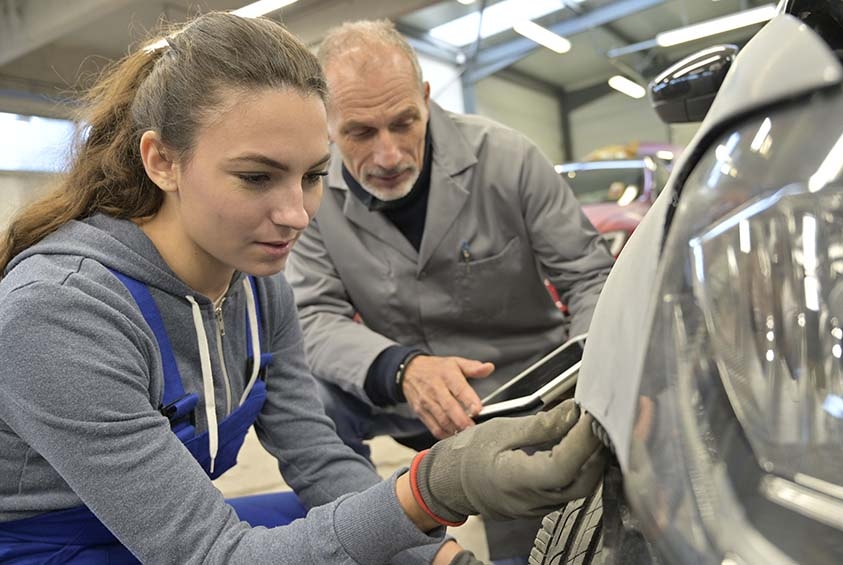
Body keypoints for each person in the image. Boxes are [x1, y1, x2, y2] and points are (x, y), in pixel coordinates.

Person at [0, 12, 606, 565]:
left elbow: (319, 462)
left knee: (345, 528)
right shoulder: (61, 314)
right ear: (162, 161)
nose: (297, 214)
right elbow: (215, 554)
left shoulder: (259, 292)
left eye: (314, 175)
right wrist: (432, 487)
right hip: (50, 551)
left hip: (153, 535)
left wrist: (438, 560)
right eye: (257, 176)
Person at [284, 19, 615, 563]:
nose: (388, 155)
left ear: (427, 99)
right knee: (313, 403)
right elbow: (313, 315)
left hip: (522, 389)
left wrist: (592, 386)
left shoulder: (508, 159)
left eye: (403, 122)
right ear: (327, 124)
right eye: (360, 133)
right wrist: (403, 369)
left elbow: (588, 277)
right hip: (403, 394)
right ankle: (388, 543)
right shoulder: (312, 194)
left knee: (532, 543)